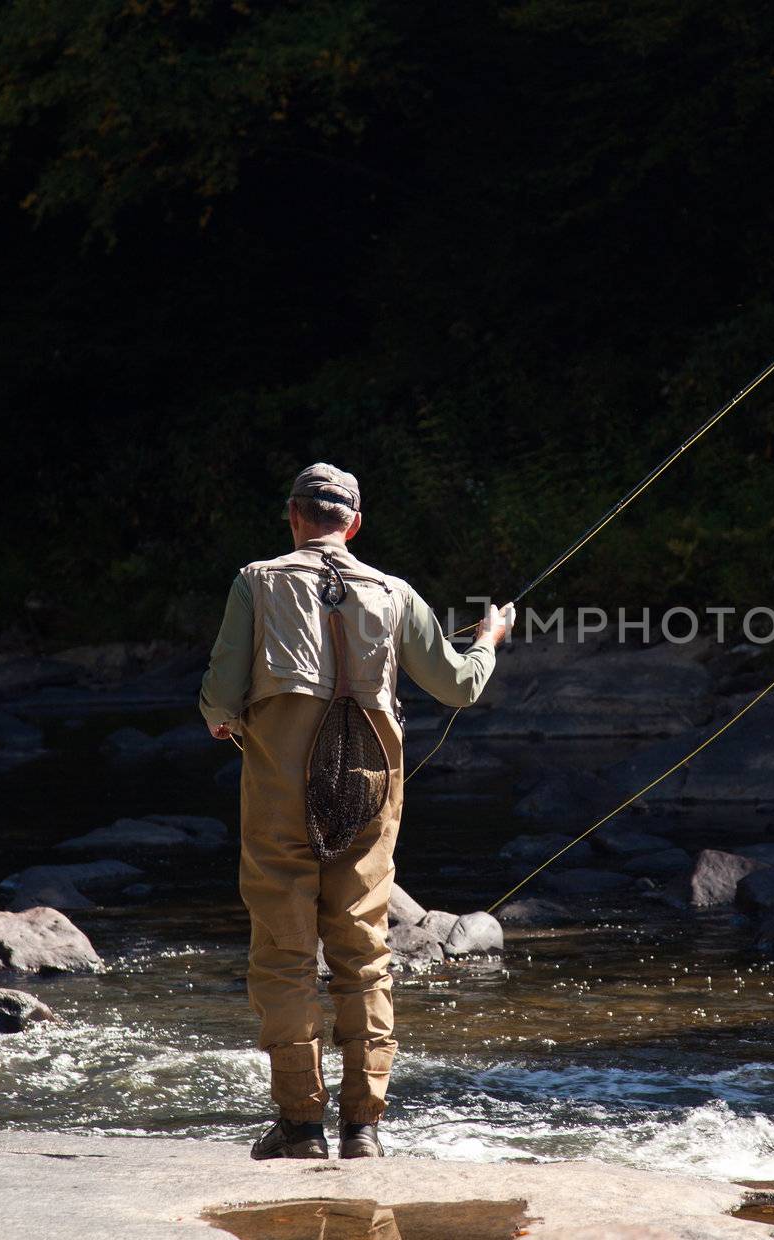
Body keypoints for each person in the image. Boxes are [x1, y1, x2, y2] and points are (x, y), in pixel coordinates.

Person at [199, 461, 514, 1161]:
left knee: (283, 953)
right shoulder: (395, 592)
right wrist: (487, 640)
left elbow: (220, 699)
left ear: (293, 516)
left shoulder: (256, 580)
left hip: (278, 793)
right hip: (369, 796)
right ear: (355, 524)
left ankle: (300, 1127)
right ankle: (363, 1128)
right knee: (364, 953)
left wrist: (226, 719)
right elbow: (459, 687)